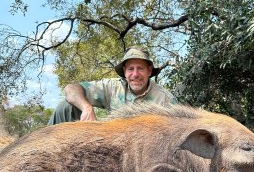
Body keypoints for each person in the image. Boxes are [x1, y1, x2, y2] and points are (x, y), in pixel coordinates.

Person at [48, 46, 177, 124]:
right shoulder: (113, 87)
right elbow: (71, 89)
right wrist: (87, 108)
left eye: (140, 69)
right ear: (125, 72)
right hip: (113, 146)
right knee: (66, 107)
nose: (135, 74)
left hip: (146, 151)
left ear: (149, 71)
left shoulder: (166, 99)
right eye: (131, 69)